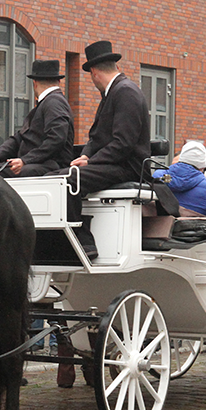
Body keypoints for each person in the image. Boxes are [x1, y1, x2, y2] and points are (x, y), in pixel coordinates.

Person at [55, 40, 151, 259]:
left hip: (128, 166)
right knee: (55, 177)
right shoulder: (115, 92)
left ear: (95, 72)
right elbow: (97, 136)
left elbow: (123, 143)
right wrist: (85, 155)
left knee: (67, 181)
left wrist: (91, 162)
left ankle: (84, 243)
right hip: (115, 163)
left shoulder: (125, 92)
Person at [0, 59, 74, 178]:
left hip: (50, 166)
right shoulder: (49, 103)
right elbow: (19, 137)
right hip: (39, 163)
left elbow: (56, 140)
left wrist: (25, 160)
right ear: (58, 81)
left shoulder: (53, 103)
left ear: (34, 83)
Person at [152, 141, 206, 218]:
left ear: (181, 158)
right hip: (189, 233)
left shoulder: (158, 176)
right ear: (202, 166)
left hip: (156, 231)